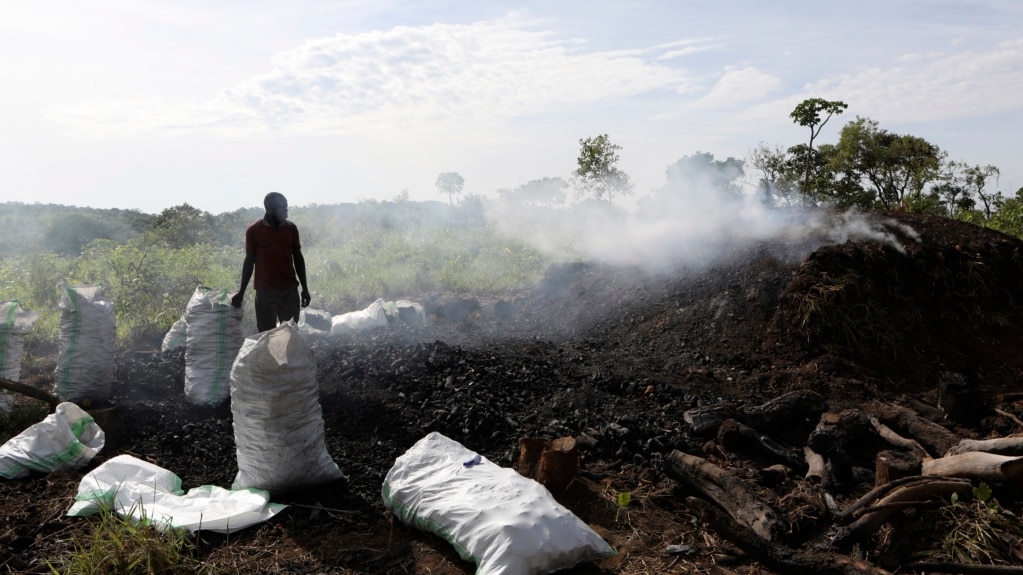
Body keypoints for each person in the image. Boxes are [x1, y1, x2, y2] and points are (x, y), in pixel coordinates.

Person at [231, 192, 311, 332]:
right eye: (282, 209)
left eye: (287, 208)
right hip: (265, 293)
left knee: (290, 334)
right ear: (269, 210)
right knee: (266, 335)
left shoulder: (291, 228)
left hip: (289, 291)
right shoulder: (254, 231)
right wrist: (241, 291)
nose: (286, 213)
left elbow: (298, 257)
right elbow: (249, 261)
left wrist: (305, 288)